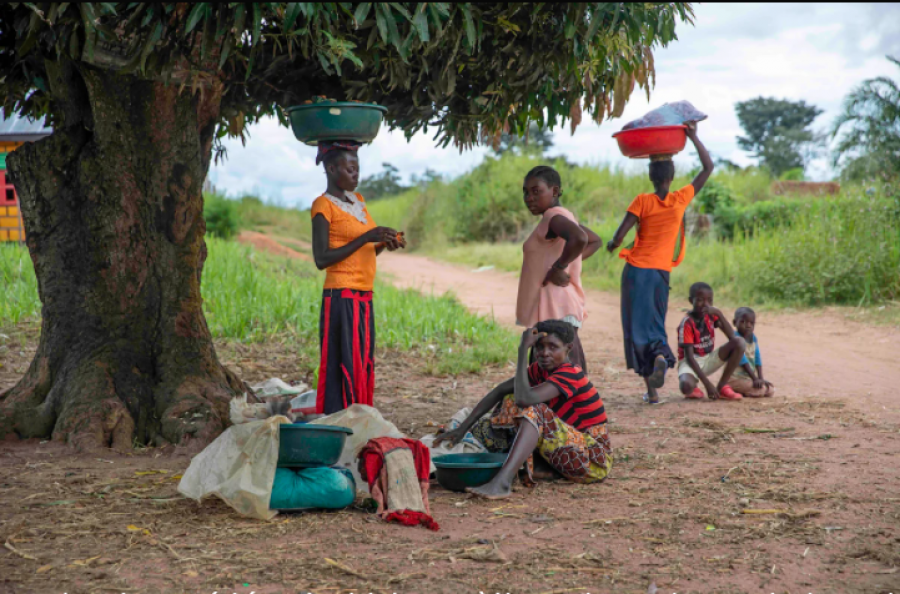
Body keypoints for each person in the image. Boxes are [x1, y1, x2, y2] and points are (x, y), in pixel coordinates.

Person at [433, 320, 612, 500]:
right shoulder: (540, 370)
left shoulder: (571, 373)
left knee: (533, 409)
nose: (544, 353)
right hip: (570, 452)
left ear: (569, 348)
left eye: (553, 347)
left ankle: (502, 482)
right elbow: (499, 391)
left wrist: (521, 351)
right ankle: (533, 466)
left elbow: (525, 399)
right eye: (539, 347)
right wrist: (462, 429)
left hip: (594, 460)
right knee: (509, 400)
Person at [606, 122, 714, 404]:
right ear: (672, 175)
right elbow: (707, 168)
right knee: (654, 324)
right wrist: (693, 137)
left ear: (651, 176)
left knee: (635, 326)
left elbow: (619, 235)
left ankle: (652, 391)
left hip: (636, 273)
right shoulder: (680, 200)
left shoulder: (642, 201)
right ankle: (660, 358)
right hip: (660, 274)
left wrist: (612, 245)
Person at [310, 141, 406, 415]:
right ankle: (340, 419)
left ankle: (360, 415)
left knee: (362, 360)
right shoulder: (322, 206)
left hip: (363, 295)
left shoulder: (359, 202)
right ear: (331, 169)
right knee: (342, 362)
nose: (356, 175)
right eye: (350, 169)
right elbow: (322, 259)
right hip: (340, 296)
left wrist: (386, 242)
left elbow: (366, 250)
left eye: (357, 169)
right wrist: (366, 236)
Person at [516, 166, 602, 372]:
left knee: (562, 370)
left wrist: (559, 266)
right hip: (558, 304)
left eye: (536, 191)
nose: (529, 198)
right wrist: (568, 262)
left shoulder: (552, 217)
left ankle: (575, 404)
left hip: (554, 304)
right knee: (566, 367)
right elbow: (593, 241)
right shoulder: (561, 217)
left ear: (554, 191)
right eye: (526, 192)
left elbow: (582, 239)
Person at [676, 282, 745, 400]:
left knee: (740, 342)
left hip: (708, 359)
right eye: (700, 300)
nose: (705, 304)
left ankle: (722, 386)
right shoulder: (687, 323)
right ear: (690, 300)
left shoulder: (711, 315)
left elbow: (732, 337)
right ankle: (693, 385)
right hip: (690, 362)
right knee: (686, 386)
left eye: (709, 300)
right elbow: (690, 358)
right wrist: (707, 385)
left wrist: (718, 313)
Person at [727, 307, 775, 398]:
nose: (748, 325)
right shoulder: (735, 339)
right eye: (743, 322)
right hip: (735, 378)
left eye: (751, 323)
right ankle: (731, 388)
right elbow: (743, 361)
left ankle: (741, 390)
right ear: (734, 322)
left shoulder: (753, 338)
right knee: (760, 391)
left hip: (748, 378)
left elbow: (757, 359)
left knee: (770, 390)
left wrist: (760, 378)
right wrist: (755, 378)